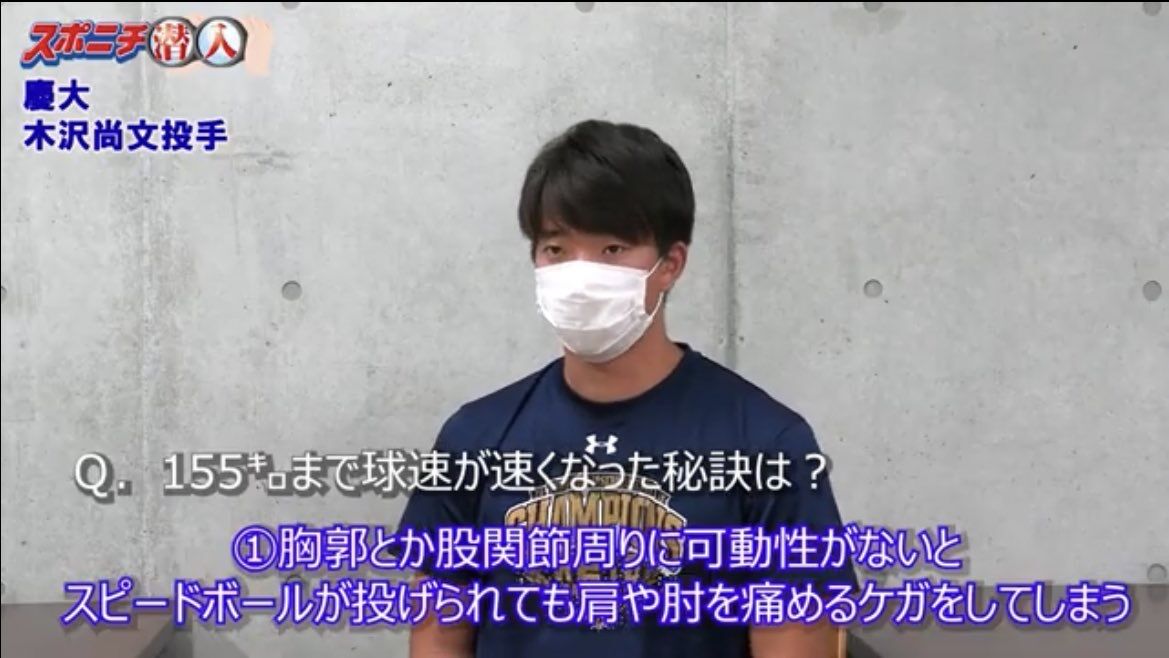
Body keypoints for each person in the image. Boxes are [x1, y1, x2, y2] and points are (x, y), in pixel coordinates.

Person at [400, 119, 858, 658]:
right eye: (556, 249)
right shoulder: (474, 438)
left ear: (671, 265)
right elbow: (439, 635)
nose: (580, 276)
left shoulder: (767, 445)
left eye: (613, 249)